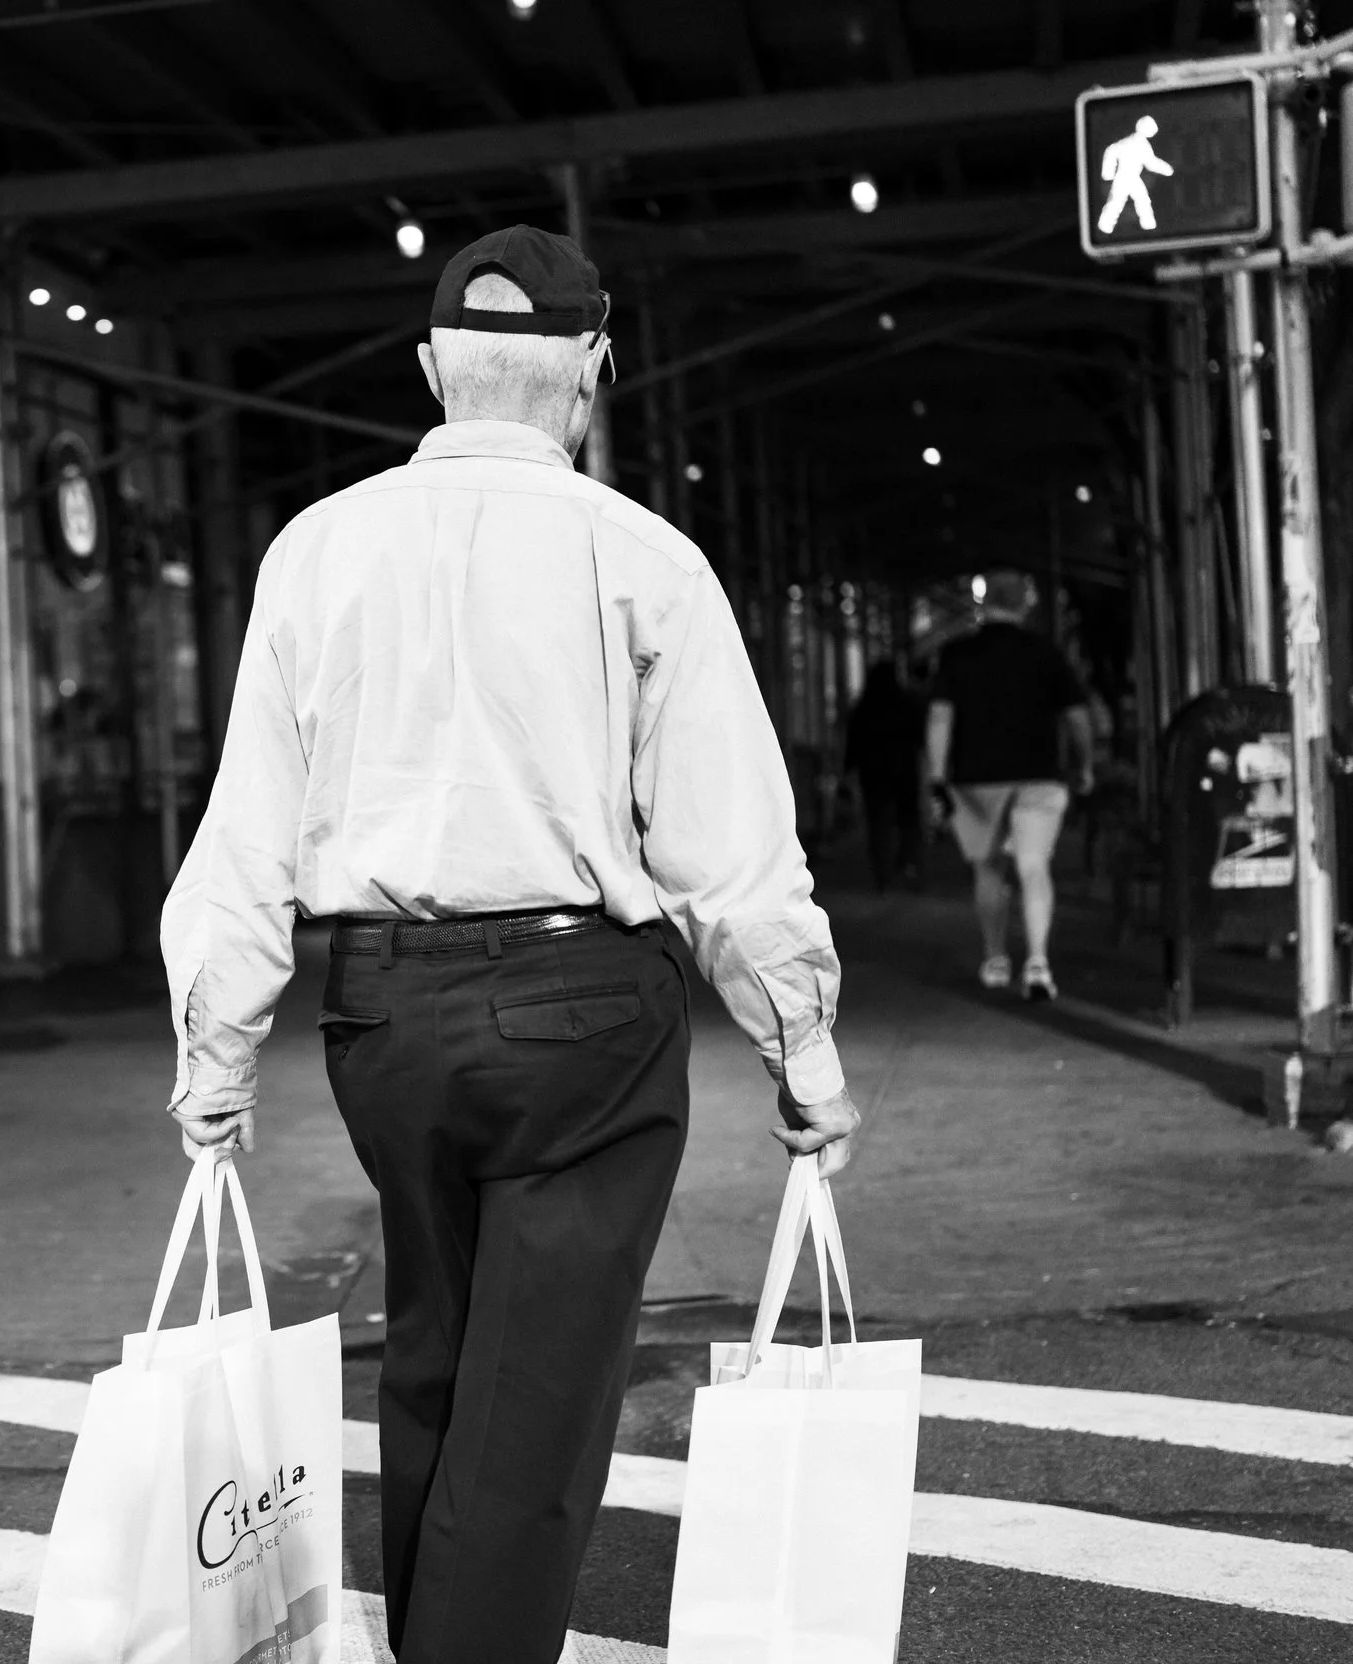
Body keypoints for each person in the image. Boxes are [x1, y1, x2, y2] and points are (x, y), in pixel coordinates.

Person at [159, 227, 858, 1664]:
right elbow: (728, 844)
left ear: (431, 370)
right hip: (581, 1015)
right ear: (593, 367)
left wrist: (214, 1048)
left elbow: (248, 827)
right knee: (536, 1394)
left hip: (380, 1016)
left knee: (437, 1348)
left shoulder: (316, 550)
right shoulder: (642, 558)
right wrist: (801, 1050)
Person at [925, 570, 1093, 1001]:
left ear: (985, 603)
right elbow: (1076, 717)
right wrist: (1085, 764)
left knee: (988, 868)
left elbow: (940, 718)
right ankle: (1037, 962)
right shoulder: (1046, 653)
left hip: (976, 780)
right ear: (1025, 603)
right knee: (1034, 866)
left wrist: (938, 777)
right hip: (1039, 776)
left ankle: (996, 958)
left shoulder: (957, 654)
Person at [844, 659, 925, 891]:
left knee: (878, 825)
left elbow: (853, 743)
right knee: (908, 821)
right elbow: (919, 737)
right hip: (904, 771)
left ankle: (882, 873)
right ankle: (907, 863)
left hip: (874, 774)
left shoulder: (864, 707)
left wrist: (847, 769)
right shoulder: (906, 703)